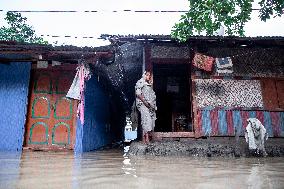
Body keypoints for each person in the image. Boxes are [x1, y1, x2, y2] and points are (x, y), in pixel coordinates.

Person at [135, 71, 157, 144]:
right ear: (144, 75)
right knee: (146, 119)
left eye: (149, 75)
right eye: (147, 75)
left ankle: (146, 138)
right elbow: (138, 94)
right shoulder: (141, 82)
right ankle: (146, 139)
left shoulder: (148, 84)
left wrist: (151, 105)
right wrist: (145, 102)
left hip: (149, 105)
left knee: (149, 120)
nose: (149, 77)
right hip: (143, 104)